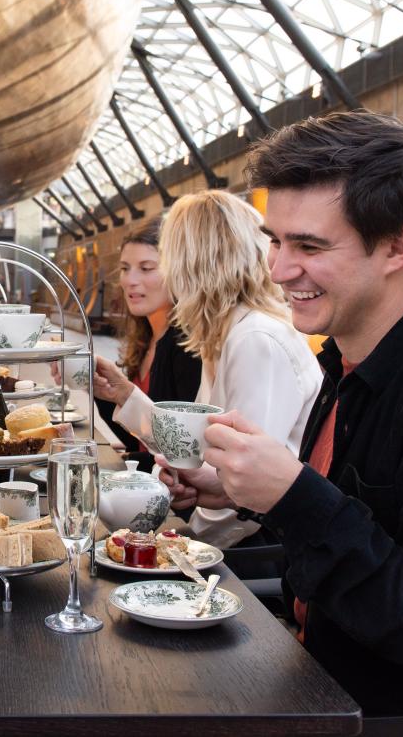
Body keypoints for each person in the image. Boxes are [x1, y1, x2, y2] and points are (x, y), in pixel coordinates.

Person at [164, 111, 403, 716]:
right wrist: (243, 490)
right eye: (276, 241)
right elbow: (360, 531)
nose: (278, 269)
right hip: (317, 662)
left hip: (384, 711)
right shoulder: (349, 364)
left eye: (311, 246)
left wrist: (294, 496)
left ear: (398, 246)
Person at [93, 190, 321, 548]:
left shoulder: (255, 340)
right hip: (239, 530)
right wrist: (126, 395)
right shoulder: (227, 334)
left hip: (267, 545)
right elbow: (195, 448)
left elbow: (247, 485)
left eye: (167, 256)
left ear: (193, 260)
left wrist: (178, 543)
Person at [92, 218, 202, 458]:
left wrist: (129, 460)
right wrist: (103, 394)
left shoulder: (188, 346)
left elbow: (186, 452)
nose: (130, 280)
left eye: (146, 268)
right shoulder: (145, 338)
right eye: (124, 268)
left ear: (178, 271)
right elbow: (140, 440)